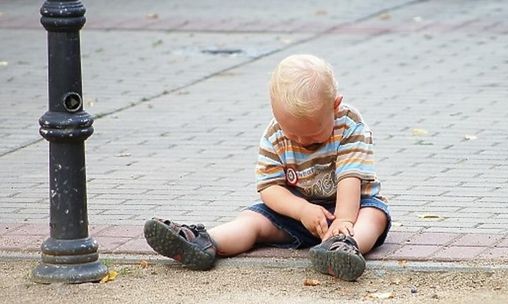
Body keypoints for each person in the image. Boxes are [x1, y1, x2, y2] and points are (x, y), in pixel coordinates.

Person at [144, 54, 391, 282]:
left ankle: (344, 247)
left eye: (314, 135)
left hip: (353, 207)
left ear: (335, 106)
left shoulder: (349, 125)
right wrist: (302, 210)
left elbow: (350, 176)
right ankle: (204, 242)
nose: (302, 141)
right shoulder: (275, 134)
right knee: (252, 219)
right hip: (298, 214)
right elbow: (270, 187)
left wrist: (344, 220)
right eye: (291, 133)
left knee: (374, 216)